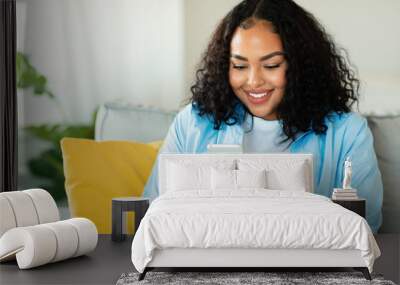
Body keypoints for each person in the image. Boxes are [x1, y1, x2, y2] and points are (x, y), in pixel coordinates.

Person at [143, 0, 383, 233]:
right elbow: (153, 210)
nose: (254, 81)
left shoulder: (349, 132)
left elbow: (365, 226)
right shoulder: (192, 123)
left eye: (271, 65)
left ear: (299, 66)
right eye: (239, 66)